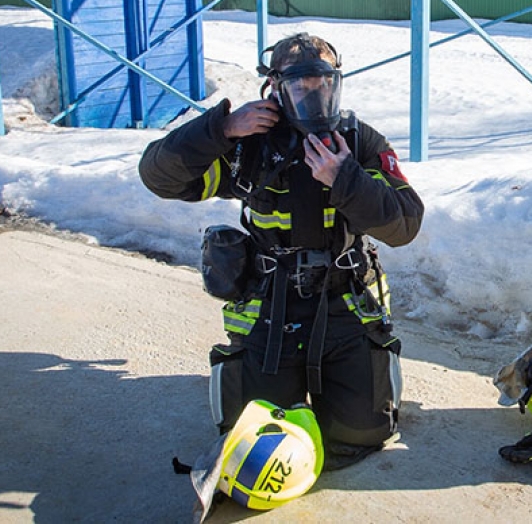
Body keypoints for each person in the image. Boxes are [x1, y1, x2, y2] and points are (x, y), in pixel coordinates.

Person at [139, 32, 424, 470]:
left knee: (362, 433)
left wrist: (345, 176)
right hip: (270, 306)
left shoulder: (358, 141)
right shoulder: (249, 142)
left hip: (344, 301)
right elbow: (160, 177)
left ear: (336, 82)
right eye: (300, 85)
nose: (314, 95)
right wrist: (220, 128)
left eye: (323, 83)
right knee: (254, 439)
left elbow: (404, 224)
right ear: (275, 86)